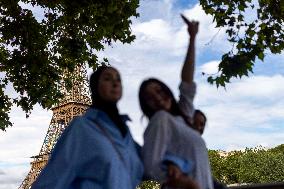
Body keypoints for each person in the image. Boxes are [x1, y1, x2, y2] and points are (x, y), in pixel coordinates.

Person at [31, 66, 144, 189]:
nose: (115, 83)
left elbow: (153, 164)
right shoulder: (82, 127)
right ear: (95, 87)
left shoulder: (126, 134)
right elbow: (53, 178)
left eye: (118, 79)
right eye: (107, 79)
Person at [139, 15, 213, 189]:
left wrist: (192, 38)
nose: (157, 97)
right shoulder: (161, 119)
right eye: (149, 98)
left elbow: (187, 82)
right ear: (147, 106)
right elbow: (150, 164)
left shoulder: (183, 118)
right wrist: (177, 179)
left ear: (167, 91)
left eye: (158, 90)